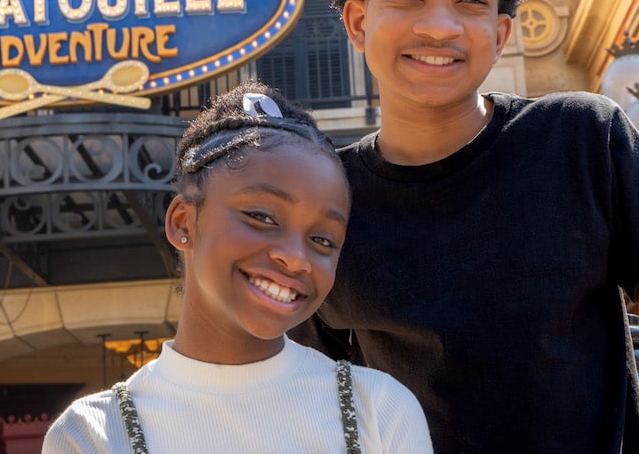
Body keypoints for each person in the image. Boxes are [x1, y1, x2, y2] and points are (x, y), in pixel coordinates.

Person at [291, 0, 639, 453]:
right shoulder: (323, 203)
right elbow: (306, 405)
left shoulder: (581, 139)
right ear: (359, 22)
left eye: (470, 2)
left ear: (500, 32)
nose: (440, 26)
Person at [43, 81, 433, 453]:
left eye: (323, 240)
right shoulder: (94, 434)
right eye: (262, 217)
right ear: (183, 222)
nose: (296, 258)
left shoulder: (378, 410)